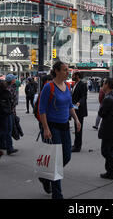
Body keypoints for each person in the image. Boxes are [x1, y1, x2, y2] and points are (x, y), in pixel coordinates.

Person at [38, 61, 81, 199]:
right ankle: (57, 195)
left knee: (67, 156)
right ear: (56, 71)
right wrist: (45, 128)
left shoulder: (67, 86)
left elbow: (70, 105)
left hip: (64, 126)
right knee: (56, 161)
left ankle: (46, 177)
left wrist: (76, 119)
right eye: (64, 70)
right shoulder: (48, 87)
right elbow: (42, 109)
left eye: (67, 70)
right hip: (53, 126)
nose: (67, 72)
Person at [1, 74, 18, 155]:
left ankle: (2, 144)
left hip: (3, 111)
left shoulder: (4, 88)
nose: (15, 80)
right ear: (11, 81)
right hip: (9, 111)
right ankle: (9, 148)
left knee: (4, 129)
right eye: (14, 79)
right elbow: (13, 102)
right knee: (9, 129)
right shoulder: (11, 89)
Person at [71, 72, 88, 152]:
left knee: (78, 128)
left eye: (73, 75)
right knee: (76, 127)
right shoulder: (75, 84)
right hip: (75, 108)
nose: (72, 76)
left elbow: (84, 96)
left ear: (77, 76)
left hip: (79, 109)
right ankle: (76, 144)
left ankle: (77, 146)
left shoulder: (82, 84)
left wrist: (79, 102)